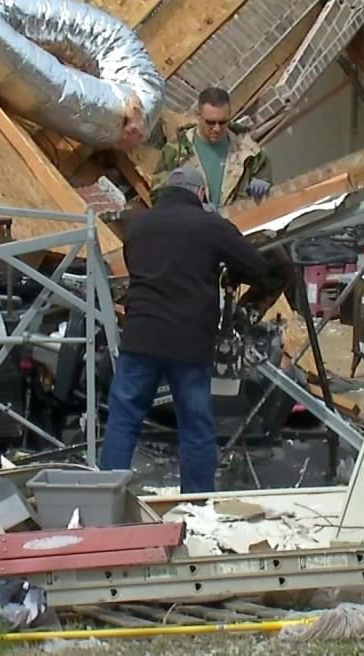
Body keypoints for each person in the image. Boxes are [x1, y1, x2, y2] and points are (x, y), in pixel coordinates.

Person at [101, 166, 269, 493]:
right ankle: (197, 504)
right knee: (194, 427)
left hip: (141, 338)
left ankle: (108, 500)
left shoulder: (137, 226)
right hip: (189, 343)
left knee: (124, 419)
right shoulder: (208, 224)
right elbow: (256, 267)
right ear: (200, 194)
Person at [156, 87, 273, 208]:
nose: (217, 129)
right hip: (194, 223)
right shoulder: (176, 151)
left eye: (222, 122)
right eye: (210, 122)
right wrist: (190, 206)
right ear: (198, 116)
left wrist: (263, 181)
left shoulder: (246, 148)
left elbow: (263, 174)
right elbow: (158, 195)